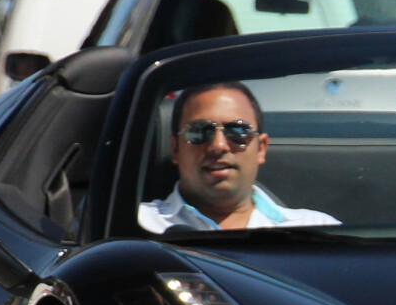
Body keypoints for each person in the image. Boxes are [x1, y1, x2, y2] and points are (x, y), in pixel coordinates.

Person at [137, 81, 337, 232]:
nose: (218, 145)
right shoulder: (138, 226)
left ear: (261, 148)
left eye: (237, 132)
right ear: (175, 149)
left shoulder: (317, 231)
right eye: (199, 131)